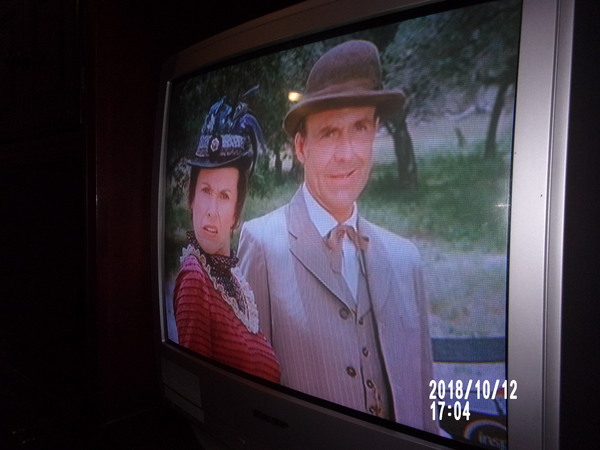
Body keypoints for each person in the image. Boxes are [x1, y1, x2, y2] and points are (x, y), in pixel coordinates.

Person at [237, 40, 436, 431]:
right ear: (301, 147)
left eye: (359, 128)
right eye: (329, 133)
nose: (346, 154)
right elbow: (248, 406)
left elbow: (424, 405)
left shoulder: (406, 259)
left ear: (375, 132)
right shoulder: (262, 244)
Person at [173, 97, 280, 383]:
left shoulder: (235, 280)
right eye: (206, 191)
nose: (211, 210)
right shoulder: (195, 279)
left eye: (224, 196)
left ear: (236, 214)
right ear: (191, 200)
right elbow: (196, 390)